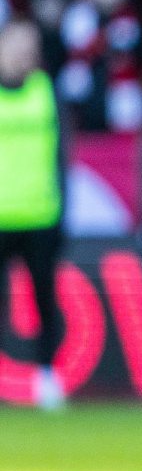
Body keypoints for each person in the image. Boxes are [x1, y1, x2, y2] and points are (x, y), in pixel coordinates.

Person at [0, 20, 67, 411]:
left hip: (40, 214)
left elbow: (63, 156)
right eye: (16, 45)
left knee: (44, 301)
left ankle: (47, 377)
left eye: (30, 46)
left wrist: (62, 209)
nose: (23, 53)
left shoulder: (46, 92)